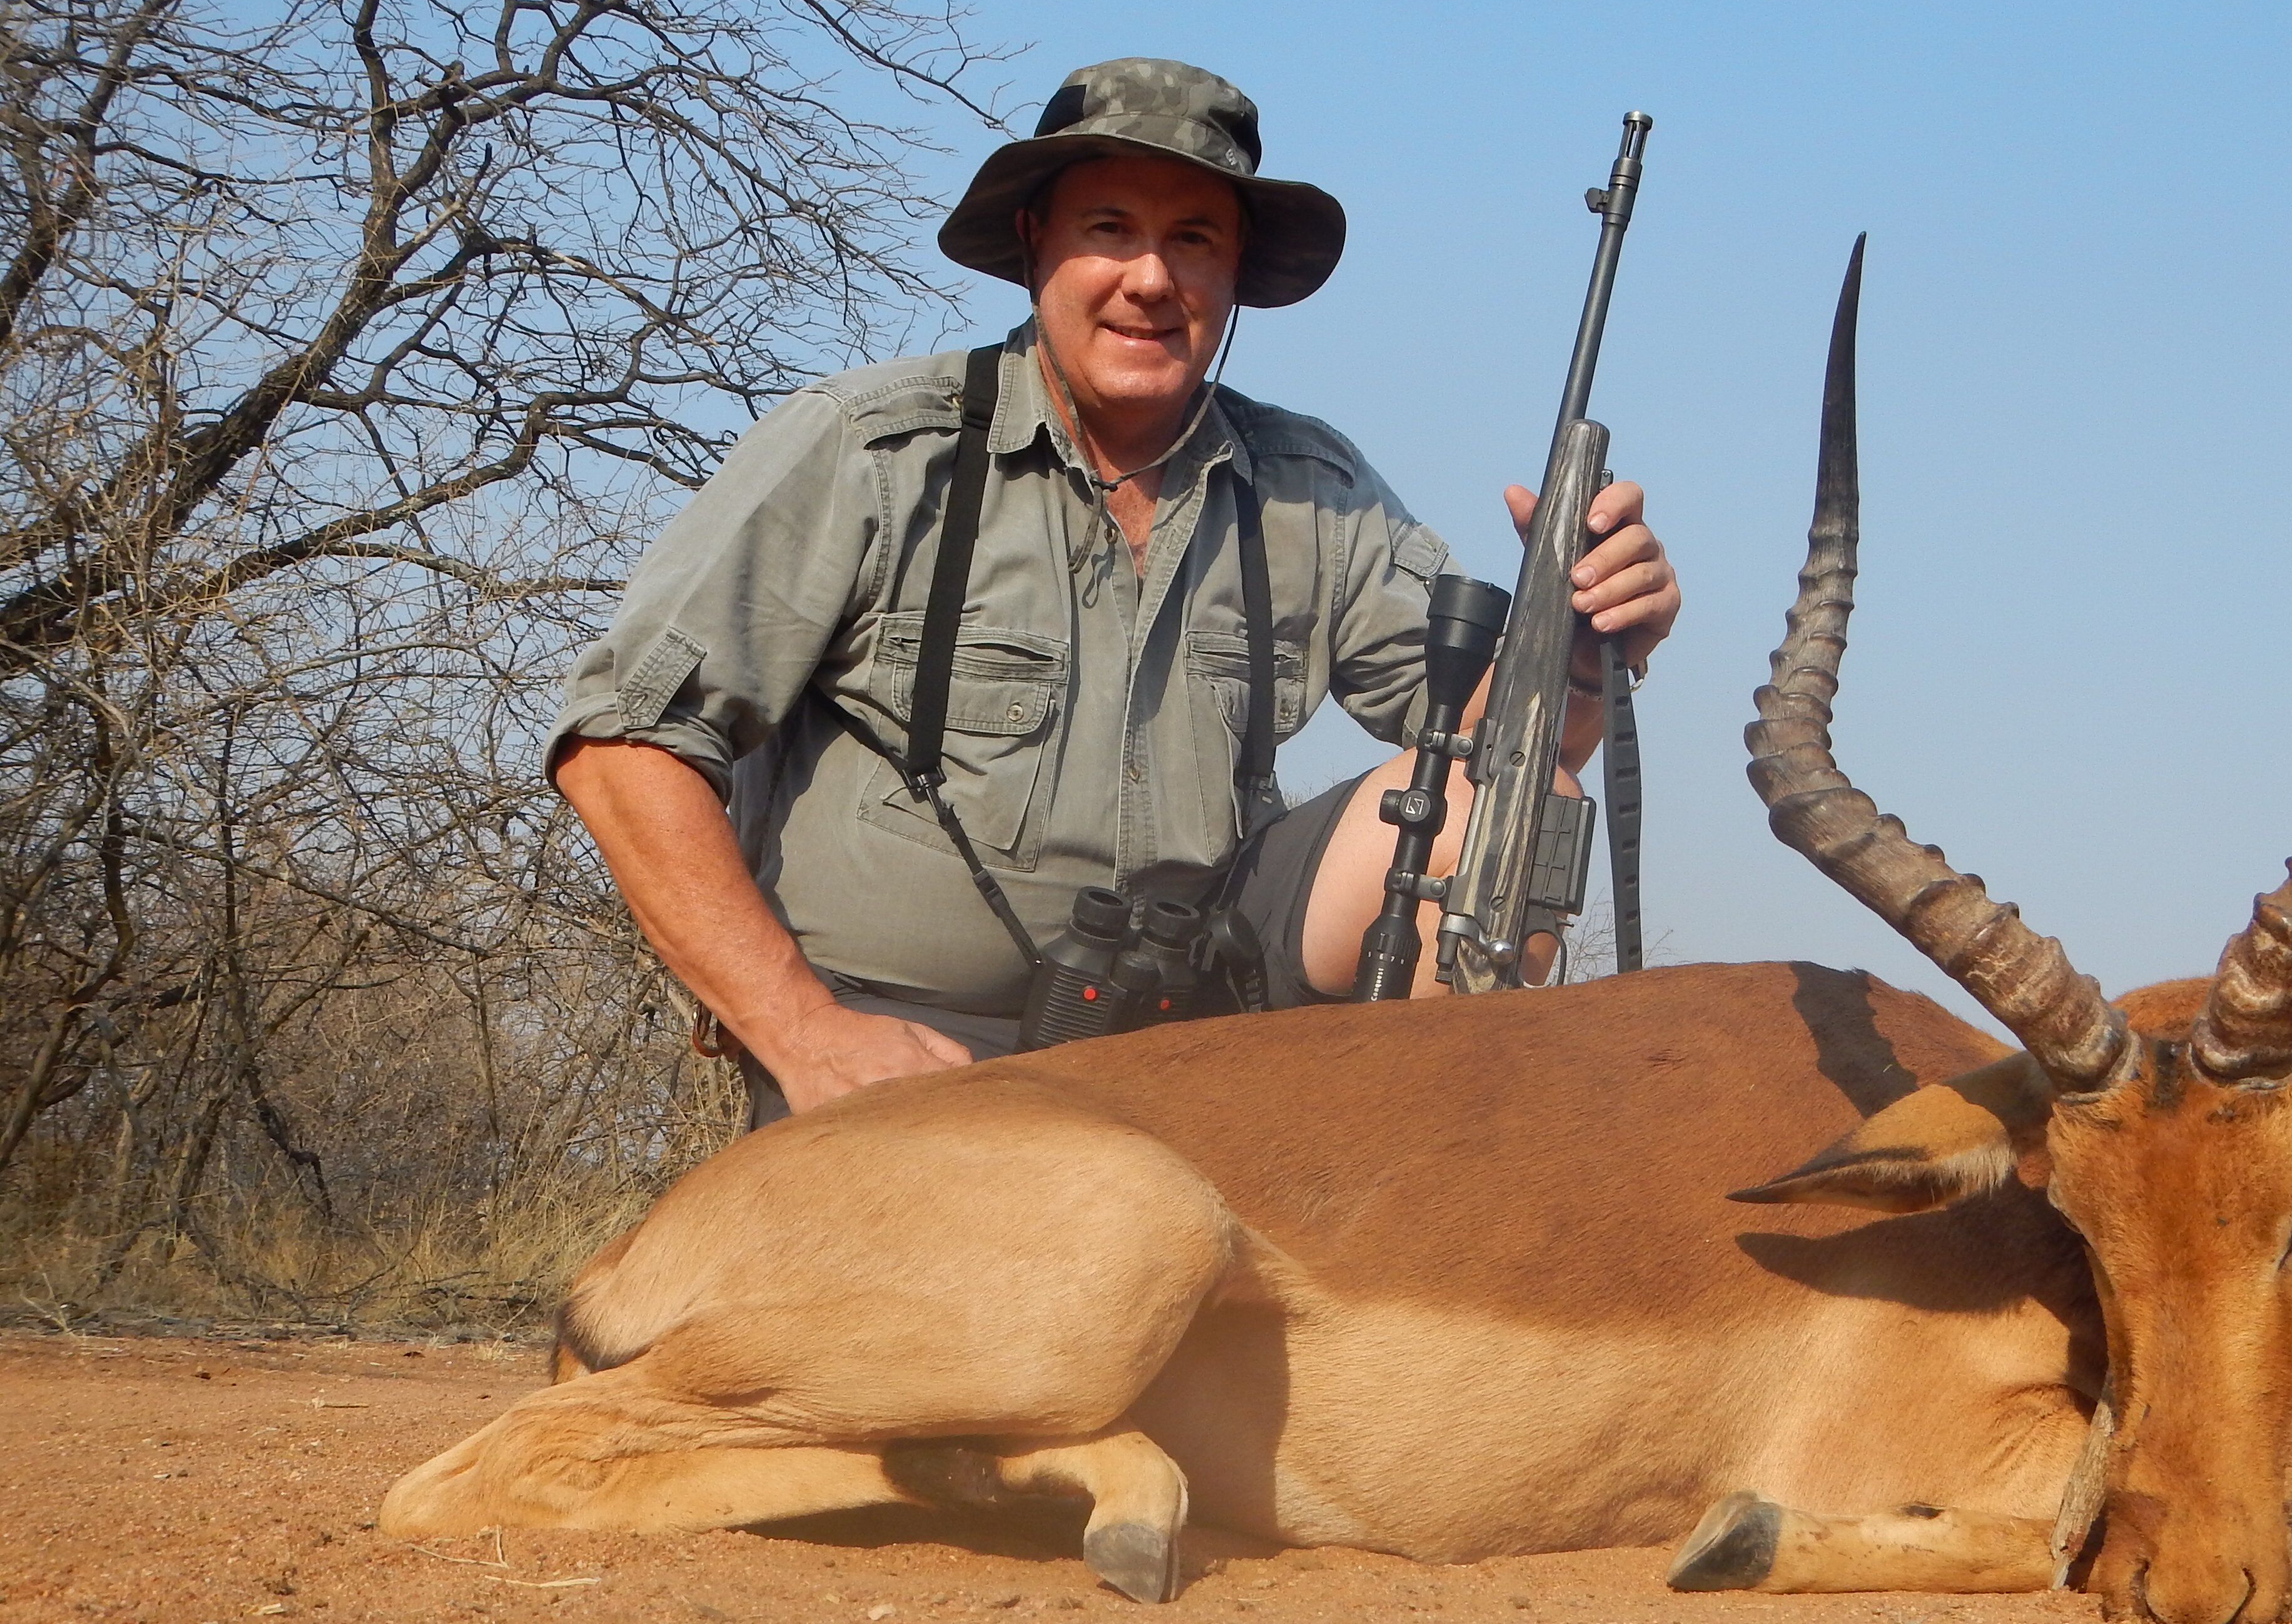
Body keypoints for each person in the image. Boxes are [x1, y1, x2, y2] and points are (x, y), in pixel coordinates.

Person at [547, 58, 1681, 1120]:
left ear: (1235, 275)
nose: (1151, 278)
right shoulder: (867, 446)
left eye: (1193, 239)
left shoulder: (1311, 484)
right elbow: (620, 748)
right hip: (906, 1049)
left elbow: (1520, 747)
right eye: (1109, 230)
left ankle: (1386, 1209)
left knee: (1517, 809)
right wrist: (809, 1036)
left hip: (1191, 1026)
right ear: (1036, 244)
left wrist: (1580, 650)